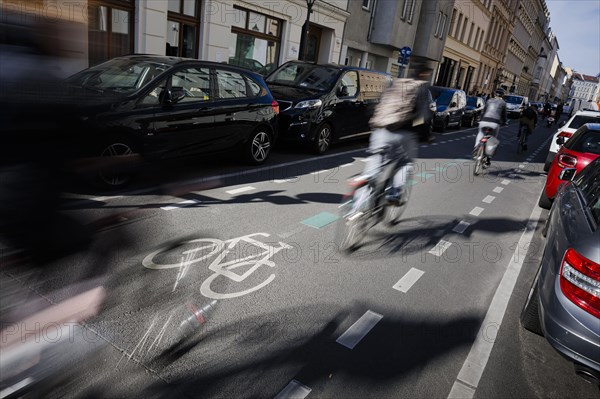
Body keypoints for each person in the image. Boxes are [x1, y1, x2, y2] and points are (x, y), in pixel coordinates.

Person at [357, 62, 433, 204]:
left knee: (375, 163)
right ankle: (395, 192)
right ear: (423, 74)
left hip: (381, 129)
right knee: (405, 162)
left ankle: (357, 206)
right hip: (403, 133)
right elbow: (423, 117)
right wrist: (426, 135)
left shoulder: (395, 83)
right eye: (427, 74)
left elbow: (377, 104)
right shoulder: (421, 88)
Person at [473, 91, 507, 162]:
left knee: (481, 133)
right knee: (493, 138)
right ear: (502, 95)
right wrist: (504, 122)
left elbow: (483, 111)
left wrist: (481, 119)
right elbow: (504, 115)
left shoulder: (489, 100)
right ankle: (488, 158)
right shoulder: (503, 103)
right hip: (494, 123)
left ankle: (476, 146)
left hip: (484, 121)